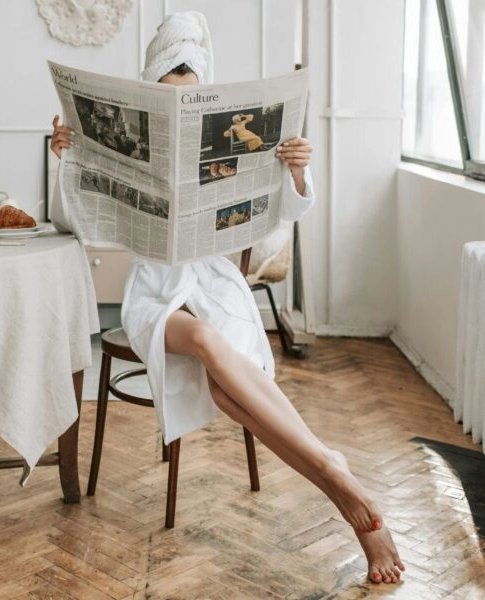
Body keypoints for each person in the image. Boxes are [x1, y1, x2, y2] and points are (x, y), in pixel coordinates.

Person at [49, 11, 404, 585]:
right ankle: (335, 473)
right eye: (167, 93)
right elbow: (75, 223)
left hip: (215, 282)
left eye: (189, 94)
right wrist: (66, 159)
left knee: (221, 375)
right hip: (154, 295)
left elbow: (281, 214)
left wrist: (296, 174)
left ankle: (334, 475)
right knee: (210, 344)